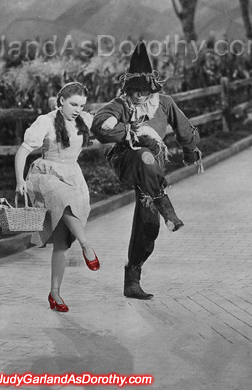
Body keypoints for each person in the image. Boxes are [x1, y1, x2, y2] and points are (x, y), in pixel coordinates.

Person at [90, 42, 202, 300]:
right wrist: (130, 132)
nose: (138, 96)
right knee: (144, 153)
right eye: (133, 90)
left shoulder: (164, 103)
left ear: (152, 88)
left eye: (143, 90)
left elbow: (184, 129)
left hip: (151, 173)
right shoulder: (120, 105)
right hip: (128, 161)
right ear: (127, 89)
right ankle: (166, 205)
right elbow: (100, 125)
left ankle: (133, 279)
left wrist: (190, 151)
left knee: (148, 224)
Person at [15, 82, 100, 313]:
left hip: (73, 175)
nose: (77, 109)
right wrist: (20, 180)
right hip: (46, 174)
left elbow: (110, 127)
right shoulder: (46, 121)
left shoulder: (85, 120)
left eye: (81, 105)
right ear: (60, 100)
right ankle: (86, 244)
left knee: (61, 244)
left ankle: (55, 294)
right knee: (63, 198)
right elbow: (23, 151)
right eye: (73, 104)